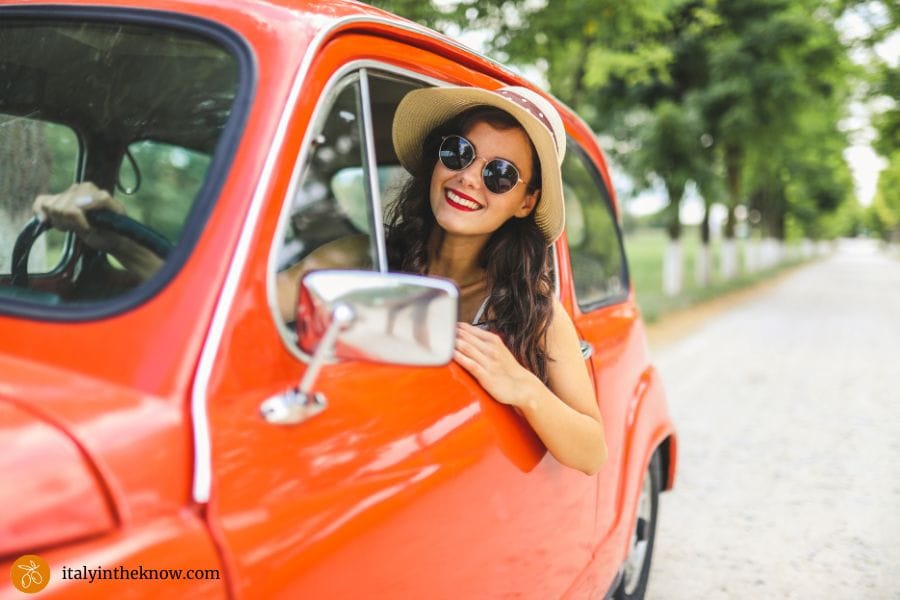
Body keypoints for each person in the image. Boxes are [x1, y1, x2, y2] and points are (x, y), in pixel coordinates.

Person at [32, 85, 608, 475]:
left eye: (500, 173)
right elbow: (239, 305)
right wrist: (113, 234)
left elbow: (591, 450)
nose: (469, 178)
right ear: (437, 160)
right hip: (348, 459)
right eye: (458, 152)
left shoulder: (530, 310)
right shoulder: (364, 256)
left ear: (525, 201)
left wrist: (520, 385)